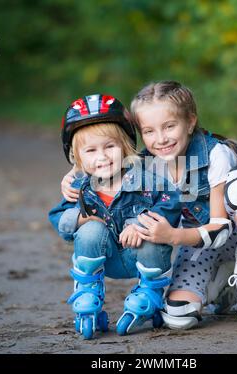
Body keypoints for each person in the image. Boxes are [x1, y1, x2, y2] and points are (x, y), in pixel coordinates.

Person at [61, 82, 237, 334]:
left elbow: (220, 227)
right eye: (149, 131)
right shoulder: (147, 164)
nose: (160, 139)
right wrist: (74, 177)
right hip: (198, 245)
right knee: (178, 316)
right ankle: (222, 286)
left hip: (234, 235)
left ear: (190, 121)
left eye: (170, 126)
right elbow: (104, 167)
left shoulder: (217, 155)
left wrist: (173, 236)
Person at [48, 93, 182, 339]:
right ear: (77, 158)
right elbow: (57, 216)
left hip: (141, 253)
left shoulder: (146, 178)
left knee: (154, 231)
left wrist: (141, 223)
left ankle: (149, 292)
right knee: (89, 229)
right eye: (90, 150)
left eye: (110, 146)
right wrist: (80, 219)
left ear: (126, 145)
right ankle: (88, 291)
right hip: (103, 257)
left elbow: (170, 201)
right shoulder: (79, 187)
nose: (102, 157)